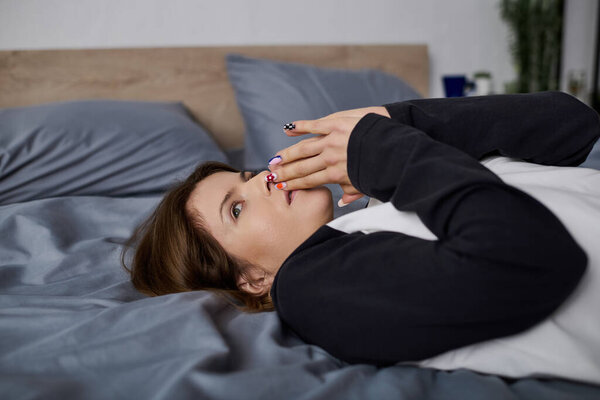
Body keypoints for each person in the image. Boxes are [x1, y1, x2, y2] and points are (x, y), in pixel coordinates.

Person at [122, 91, 600, 366]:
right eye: (237, 210)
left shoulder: (385, 195)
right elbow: (531, 260)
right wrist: (382, 149)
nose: (265, 180)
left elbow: (574, 125)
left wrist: (399, 122)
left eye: (248, 176)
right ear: (252, 280)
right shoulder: (312, 287)